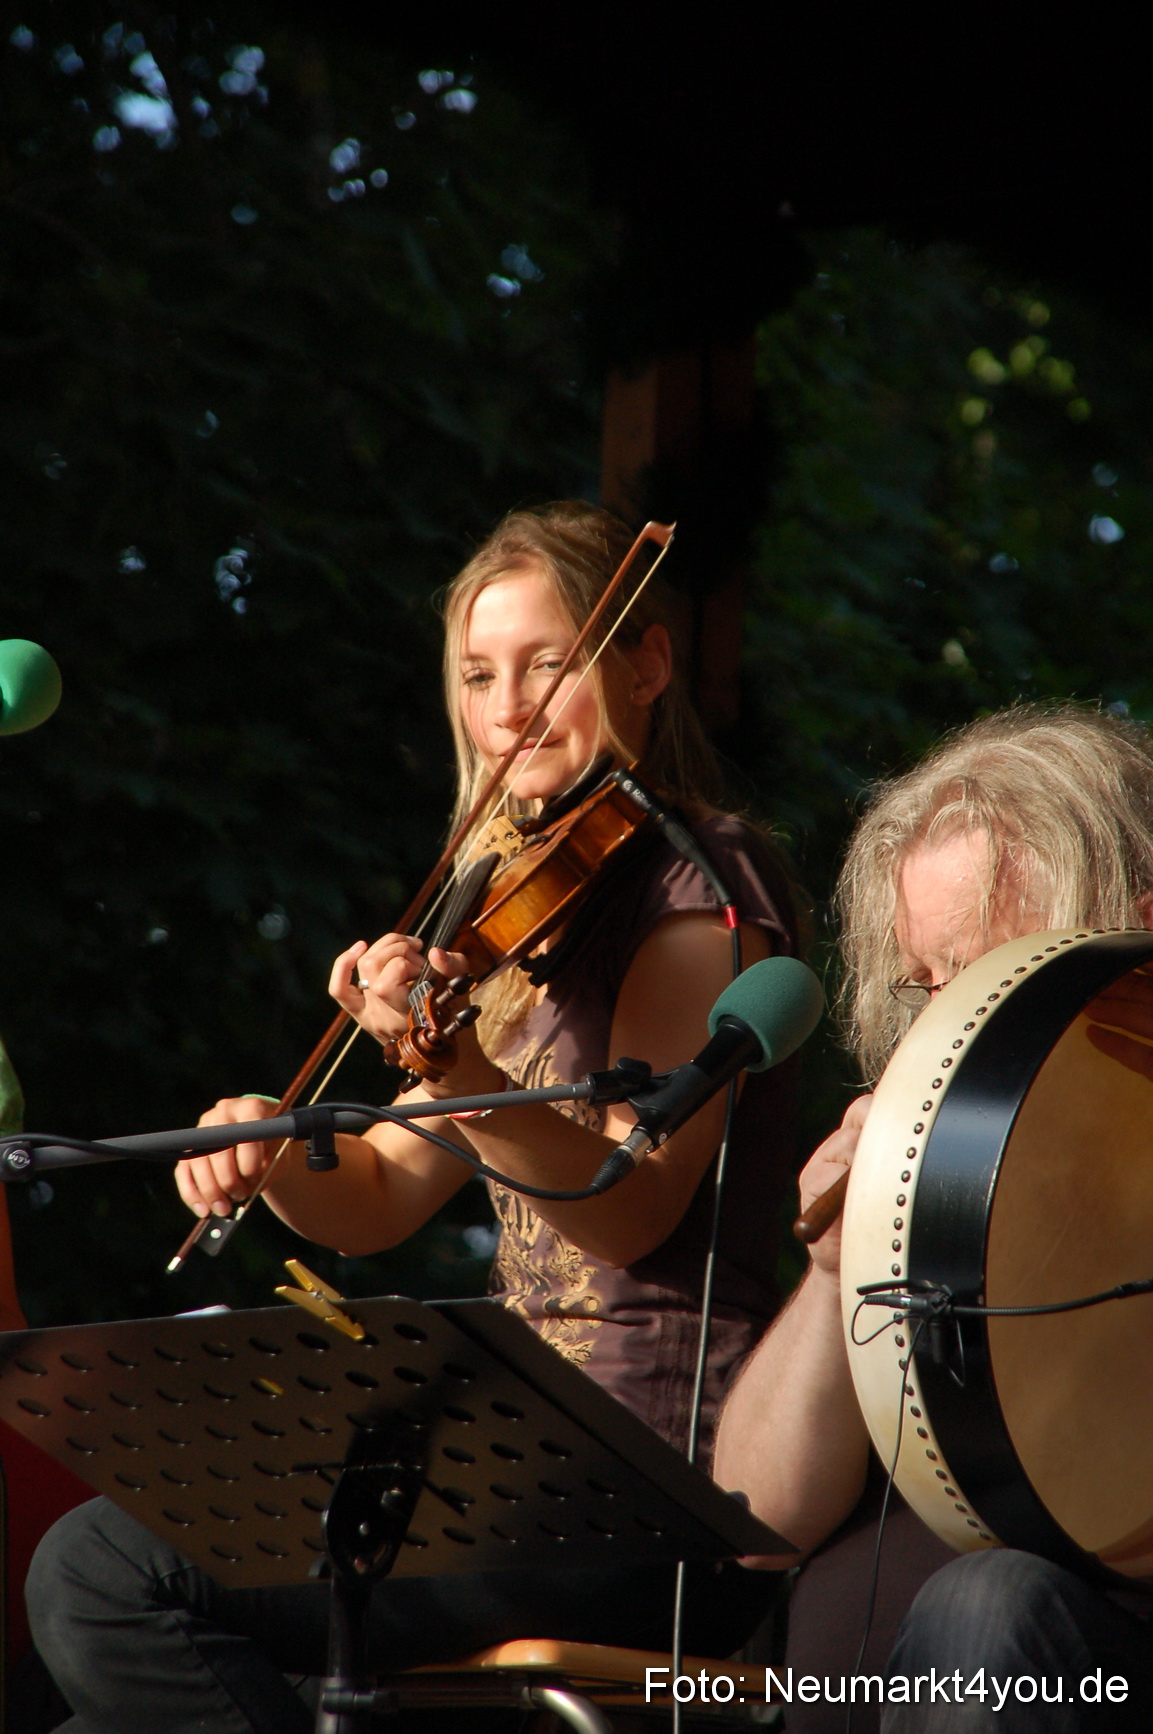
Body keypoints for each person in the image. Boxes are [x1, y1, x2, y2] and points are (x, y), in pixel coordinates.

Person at [27, 502, 802, 1733]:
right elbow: (380, 1193)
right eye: (480, 675)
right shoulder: (510, 901)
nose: (510, 706)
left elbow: (628, 1199)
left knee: (103, 1573)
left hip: (639, 1483)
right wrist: (275, 1152)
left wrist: (444, 1062)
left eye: (551, 663)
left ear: (645, 665)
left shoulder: (692, 884)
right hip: (505, 1462)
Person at [713, 702, 1153, 1733]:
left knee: (987, 1602)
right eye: (926, 984)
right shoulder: (932, 1164)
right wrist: (832, 1273)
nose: (942, 1015)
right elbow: (757, 1523)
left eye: (987, 969)